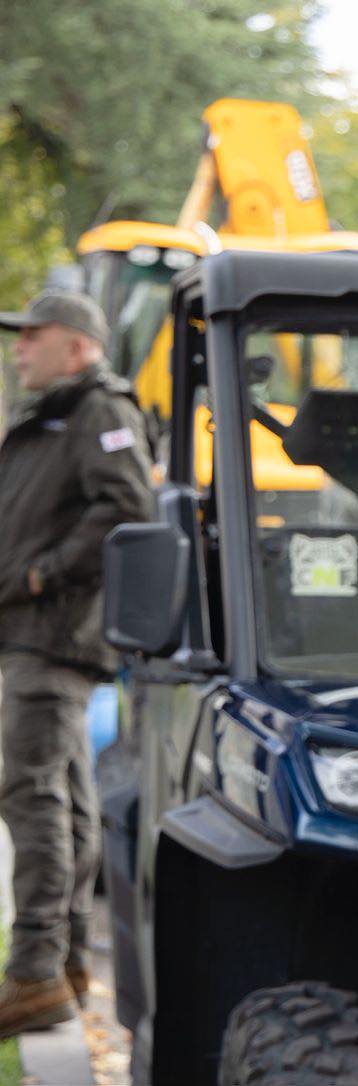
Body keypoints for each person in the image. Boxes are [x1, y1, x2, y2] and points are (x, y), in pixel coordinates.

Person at [0, 291, 153, 1035]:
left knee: (31, 796)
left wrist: (42, 574)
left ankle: (32, 974)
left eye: (34, 335)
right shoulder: (60, 413)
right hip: (40, 634)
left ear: (79, 345)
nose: (19, 347)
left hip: (52, 636)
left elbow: (128, 507)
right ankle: (61, 968)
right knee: (62, 798)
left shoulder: (99, 410)